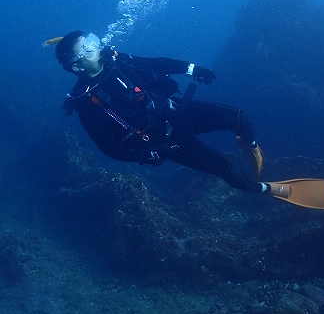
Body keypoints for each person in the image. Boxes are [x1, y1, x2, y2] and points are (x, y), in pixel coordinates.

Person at [50, 31, 268, 194]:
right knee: (229, 169)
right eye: (87, 48)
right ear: (77, 67)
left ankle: (251, 147)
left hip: (177, 110)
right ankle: (268, 190)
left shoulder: (117, 60)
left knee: (240, 118)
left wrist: (191, 69)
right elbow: (108, 146)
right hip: (167, 141)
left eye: (92, 42)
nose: (97, 48)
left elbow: (156, 64)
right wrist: (147, 155)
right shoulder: (86, 102)